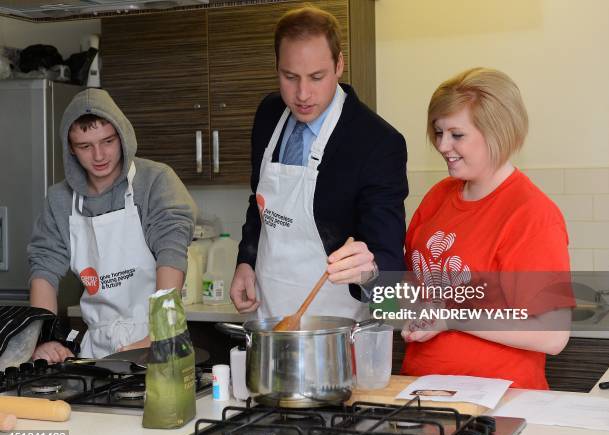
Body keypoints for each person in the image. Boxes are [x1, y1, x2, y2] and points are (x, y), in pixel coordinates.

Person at [401, 67, 574, 389]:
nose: (442, 145)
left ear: (497, 132)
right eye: (439, 133)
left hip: (500, 399)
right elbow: (414, 287)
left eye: (457, 134)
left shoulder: (531, 214)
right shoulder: (438, 197)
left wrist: (451, 317)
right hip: (420, 391)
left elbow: (552, 334)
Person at [230, 6, 408, 320]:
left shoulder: (377, 143)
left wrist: (370, 271)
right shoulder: (269, 115)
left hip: (339, 334)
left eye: (316, 77)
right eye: (289, 77)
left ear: (339, 65)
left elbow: (391, 278)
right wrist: (246, 258)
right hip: (270, 319)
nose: (302, 94)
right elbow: (260, 203)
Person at [28, 88, 196, 362]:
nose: (99, 155)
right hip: (97, 348)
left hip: (157, 339)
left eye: (107, 141)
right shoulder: (60, 200)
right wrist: (43, 339)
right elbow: (44, 269)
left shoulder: (154, 181)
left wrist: (161, 331)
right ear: (71, 148)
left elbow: (171, 250)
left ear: (123, 135)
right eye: (85, 146)